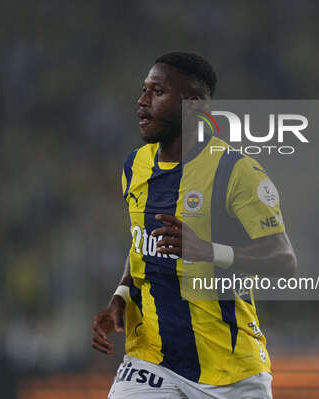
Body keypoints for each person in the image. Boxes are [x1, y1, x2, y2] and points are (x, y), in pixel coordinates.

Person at [92, 52, 297, 399]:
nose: (141, 102)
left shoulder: (235, 172)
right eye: (143, 91)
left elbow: (284, 261)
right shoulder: (134, 167)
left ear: (194, 105)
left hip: (230, 370)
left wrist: (207, 250)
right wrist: (121, 297)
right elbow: (141, 244)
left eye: (157, 92)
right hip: (151, 360)